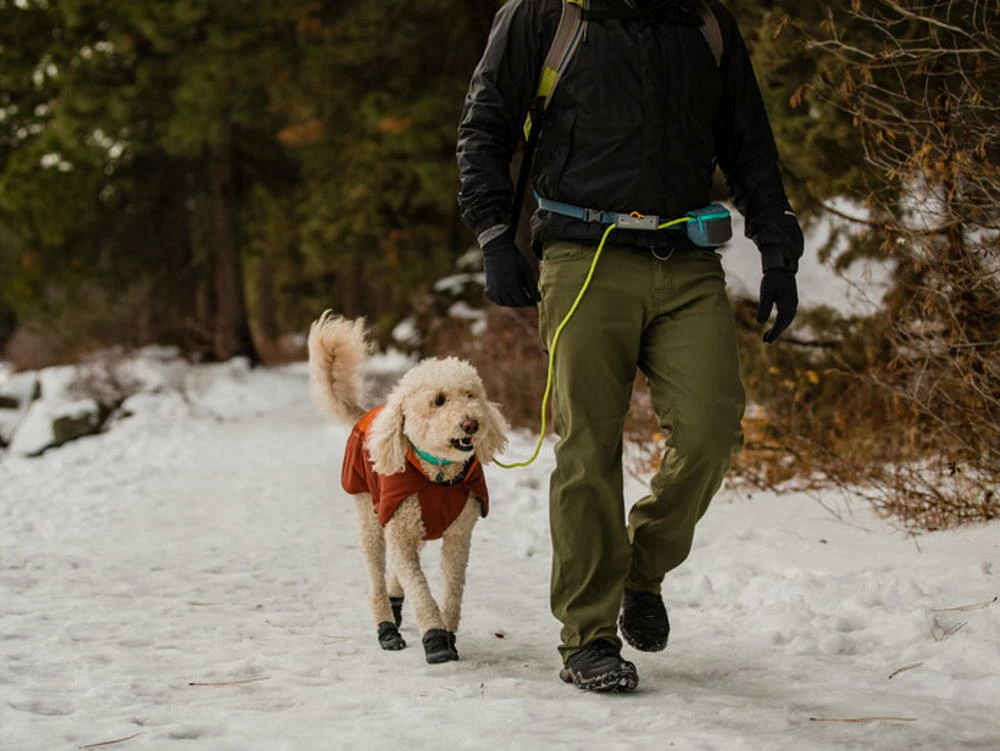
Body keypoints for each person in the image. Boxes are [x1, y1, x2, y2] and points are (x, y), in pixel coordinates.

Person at [456, 0, 803, 693]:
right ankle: (587, 635)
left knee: (711, 427)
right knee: (588, 449)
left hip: (687, 257)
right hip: (585, 256)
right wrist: (495, 233)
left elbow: (748, 142)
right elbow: (485, 126)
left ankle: (640, 570)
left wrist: (778, 249)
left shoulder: (703, 20)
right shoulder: (545, 15)